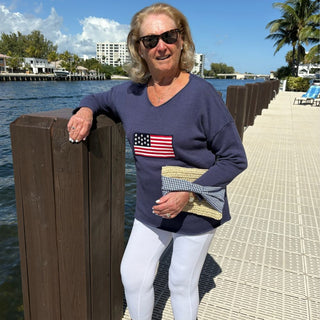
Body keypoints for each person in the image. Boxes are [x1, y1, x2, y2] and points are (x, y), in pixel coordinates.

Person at [67, 3, 247, 320]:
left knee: (181, 282)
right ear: (140, 48)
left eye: (169, 36)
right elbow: (96, 99)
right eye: (151, 40)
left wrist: (188, 192)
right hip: (151, 208)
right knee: (133, 275)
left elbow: (234, 158)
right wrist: (84, 111)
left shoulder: (203, 95)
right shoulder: (129, 94)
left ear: (182, 41)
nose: (161, 45)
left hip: (197, 206)